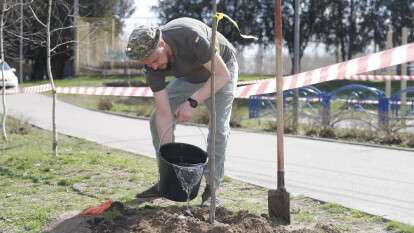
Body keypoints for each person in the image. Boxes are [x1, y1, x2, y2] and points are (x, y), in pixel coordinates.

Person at [125, 17, 238, 206]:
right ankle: (167, 182)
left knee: (218, 128)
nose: (153, 66)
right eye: (147, 63)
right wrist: (170, 160)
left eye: (154, 60)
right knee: (155, 120)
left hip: (221, 70)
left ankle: (211, 189)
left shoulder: (189, 36)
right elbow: (163, 114)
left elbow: (222, 75)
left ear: (162, 43)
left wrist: (192, 101)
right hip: (189, 77)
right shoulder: (151, 66)